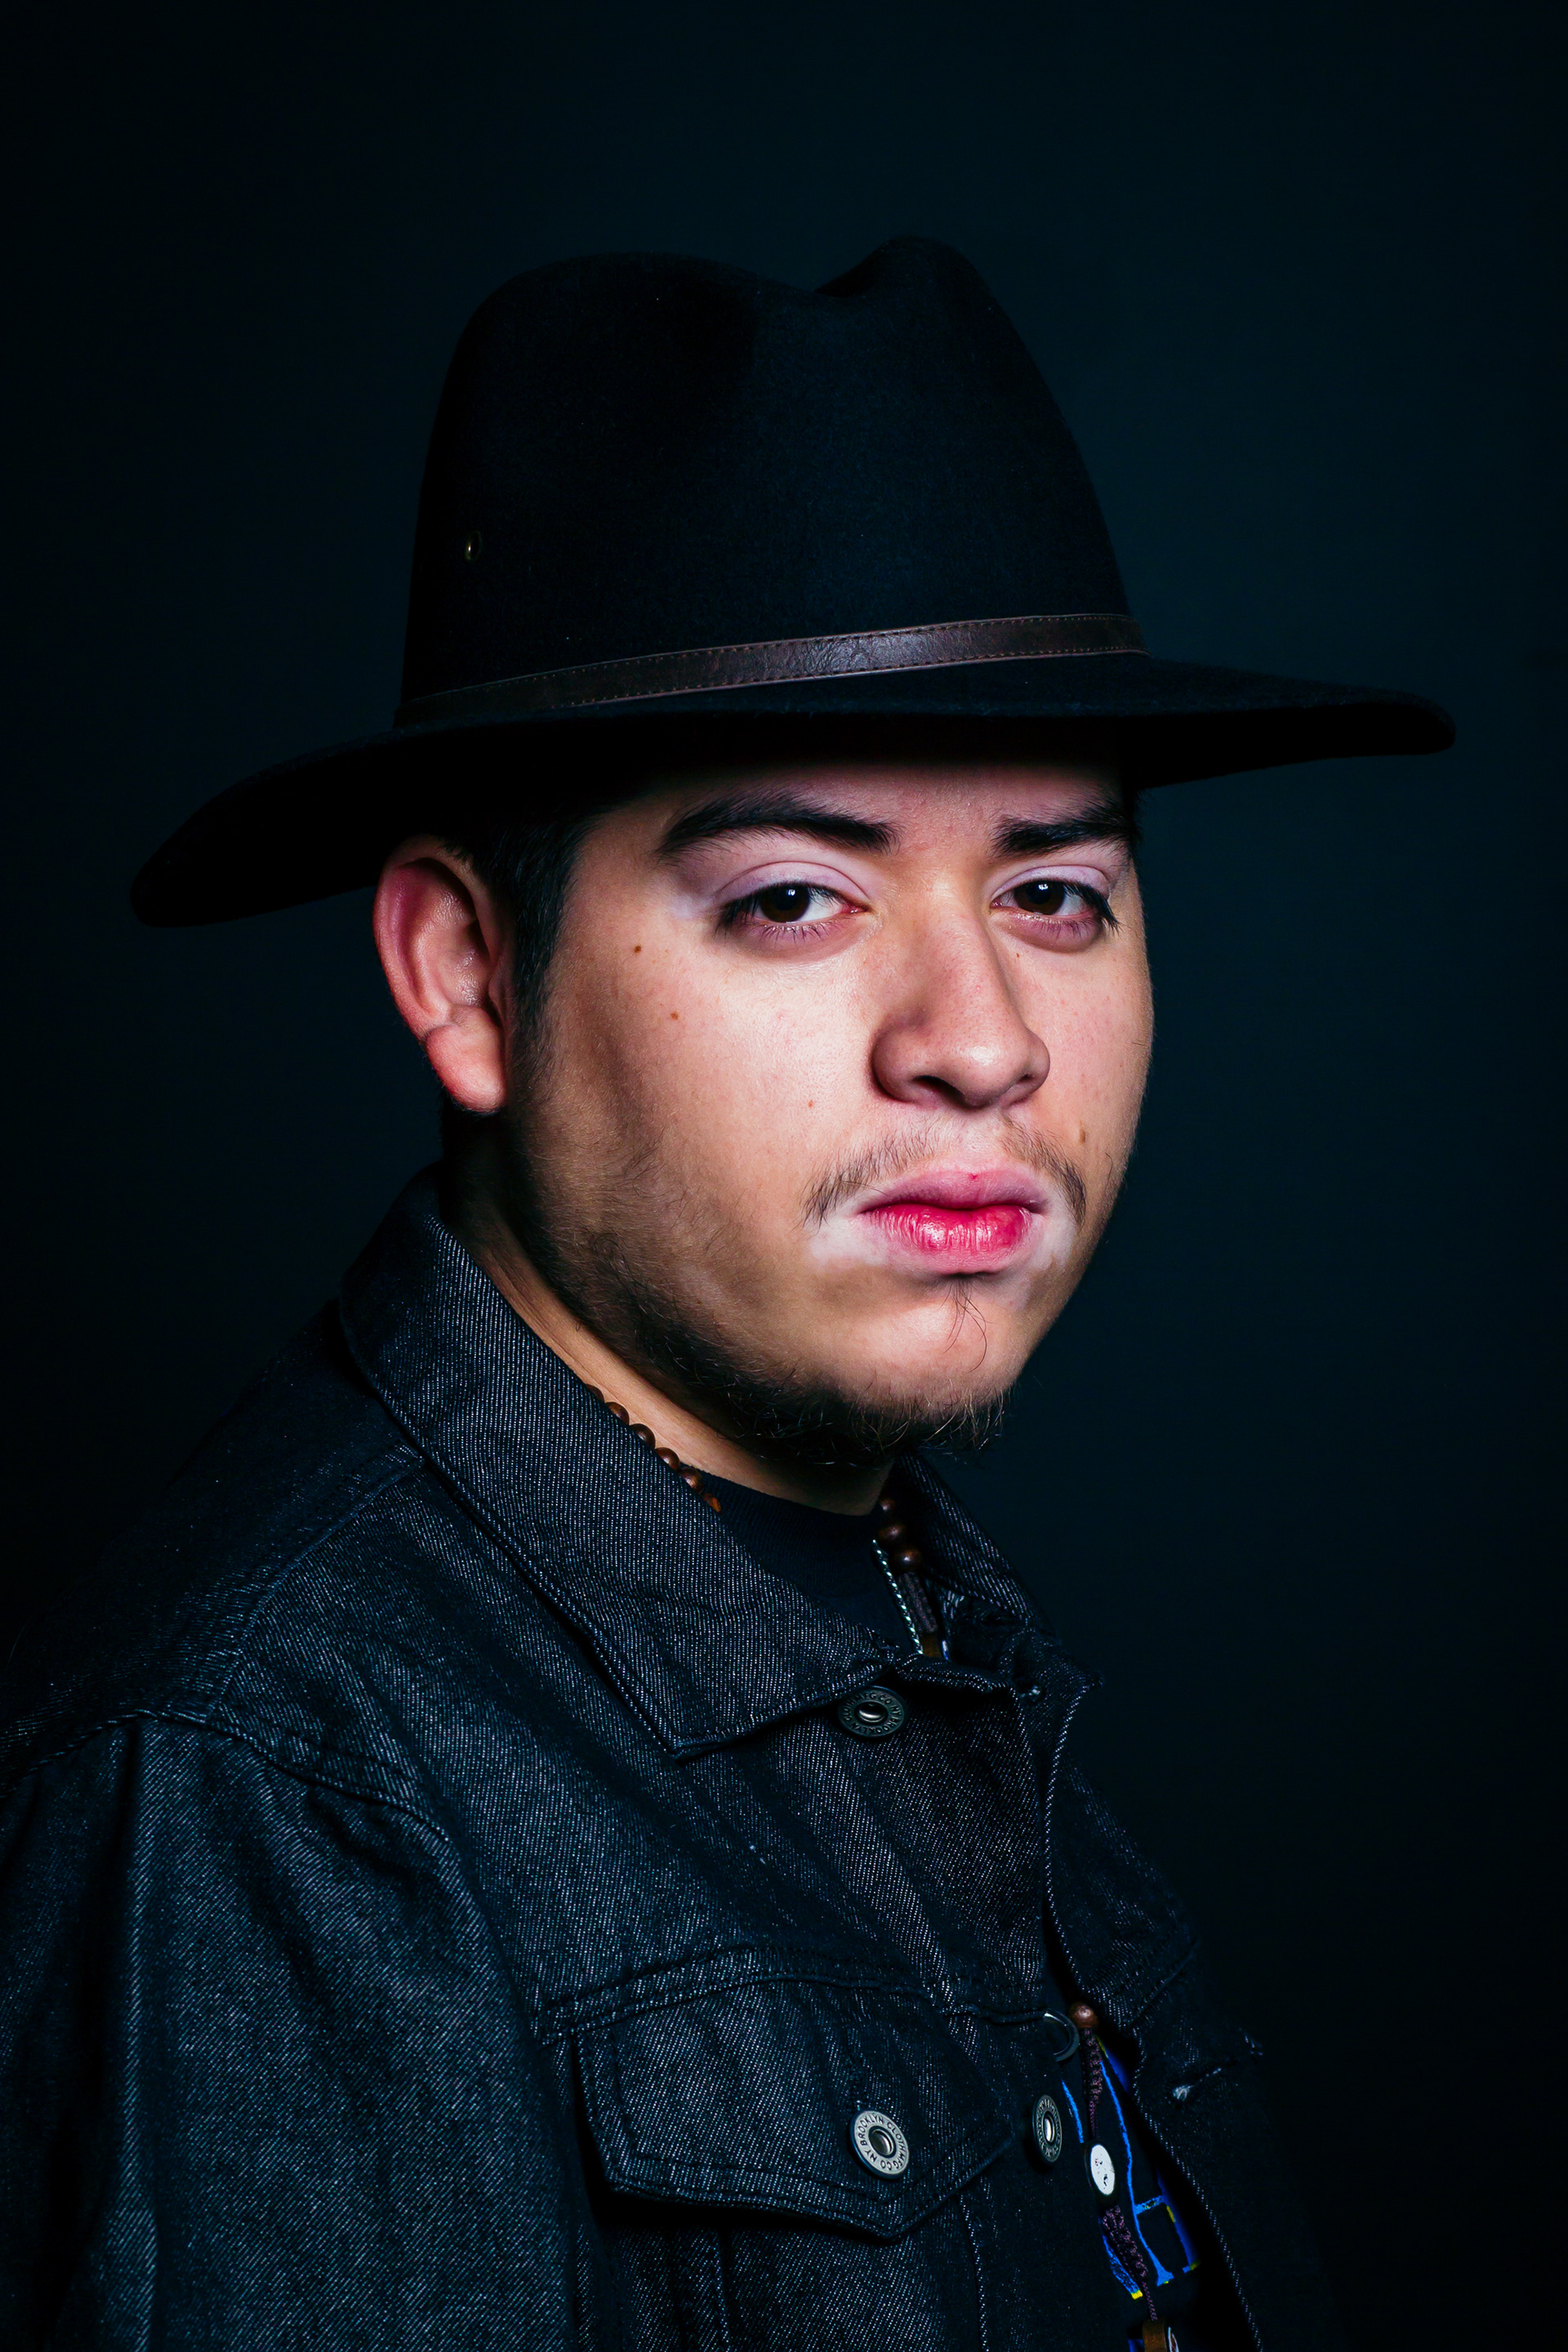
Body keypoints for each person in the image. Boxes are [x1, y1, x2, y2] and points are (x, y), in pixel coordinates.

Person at [0, 238, 1450, 2352]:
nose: (980, 1041)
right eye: (794, 898)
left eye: (1057, 892)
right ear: (467, 975)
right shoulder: (276, 1809)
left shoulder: (929, 1622)